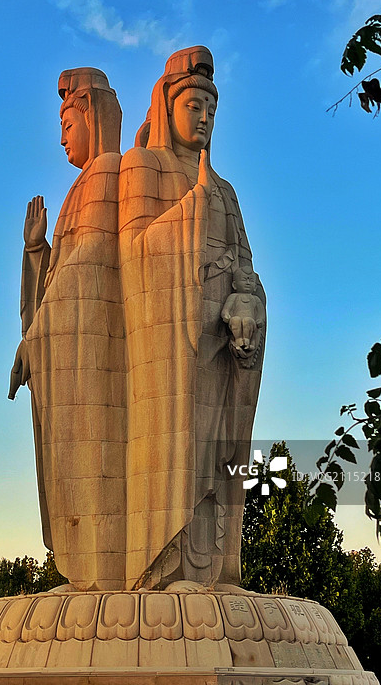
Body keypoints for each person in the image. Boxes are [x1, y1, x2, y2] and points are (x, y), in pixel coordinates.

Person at [119, 46, 266, 589]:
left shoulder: (225, 191)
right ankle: (162, 567)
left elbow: (247, 270)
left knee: (220, 458)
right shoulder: (142, 167)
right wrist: (192, 208)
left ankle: (212, 569)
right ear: (168, 106)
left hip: (220, 350)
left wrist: (246, 303)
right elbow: (131, 253)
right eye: (194, 105)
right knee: (175, 455)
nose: (204, 117)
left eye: (211, 108)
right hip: (165, 353)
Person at [10, 68, 127, 591]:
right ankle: (91, 571)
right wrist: (38, 252)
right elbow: (65, 274)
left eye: (66, 121)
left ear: (93, 115)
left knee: (93, 465)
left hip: (96, 362)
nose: (60, 136)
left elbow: (89, 269)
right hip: (72, 350)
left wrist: (34, 339)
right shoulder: (83, 187)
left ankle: (103, 572)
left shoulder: (106, 176)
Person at [221, 264, 266, 361]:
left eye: (251, 280)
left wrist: (260, 319)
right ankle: (238, 340)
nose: (248, 283)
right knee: (235, 320)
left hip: (251, 323)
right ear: (234, 285)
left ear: (255, 287)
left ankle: (247, 340)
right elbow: (226, 309)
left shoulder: (255, 299)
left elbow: (261, 313)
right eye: (244, 280)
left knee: (248, 321)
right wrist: (226, 314)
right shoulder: (233, 297)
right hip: (235, 321)